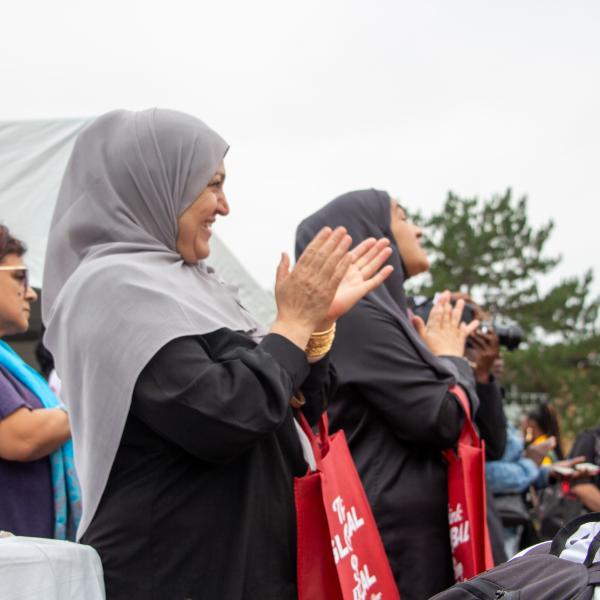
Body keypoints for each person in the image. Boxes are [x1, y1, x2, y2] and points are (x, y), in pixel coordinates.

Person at [41, 109, 393, 599]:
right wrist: (290, 323)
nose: (224, 206)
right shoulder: (110, 287)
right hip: (177, 570)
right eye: (211, 184)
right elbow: (225, 414)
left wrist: (316, 324)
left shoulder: (199, 286)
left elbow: (294, 406)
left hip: (243, 562)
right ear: (156, 182)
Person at [296, 190, 481, 600]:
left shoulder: (384, 313)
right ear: (368, 233)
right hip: (390, 540)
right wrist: (454, 361)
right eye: (401, 214)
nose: (417, 228)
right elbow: (440, 418)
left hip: (401, 529)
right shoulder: (359, 314)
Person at [0, 225, 80, 539]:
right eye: (19, 276)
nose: (31, 292)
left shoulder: (10, 362)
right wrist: (97, 404)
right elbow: (21, 437)